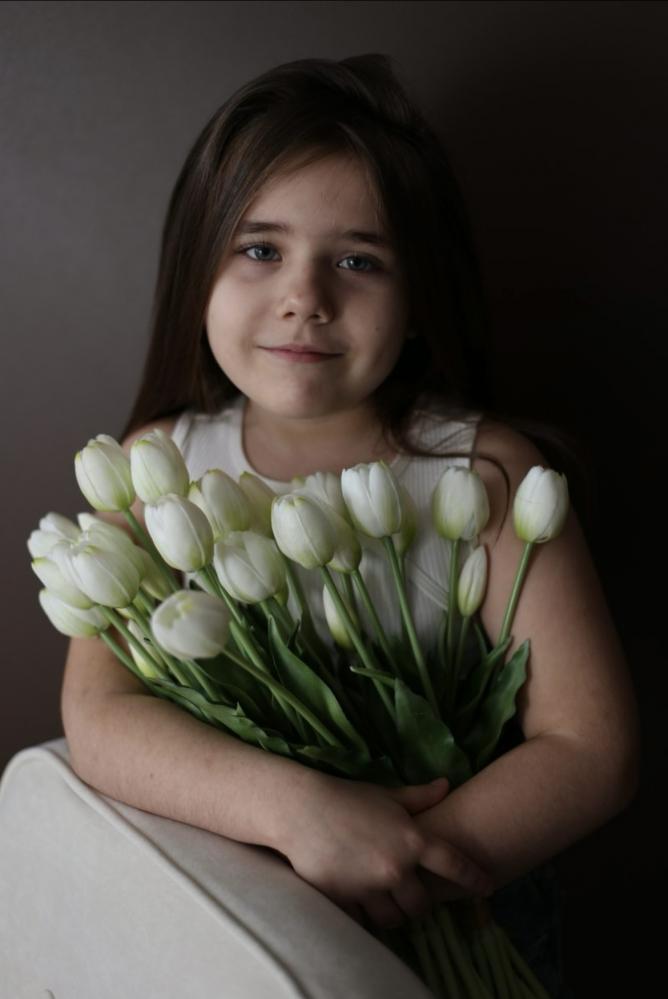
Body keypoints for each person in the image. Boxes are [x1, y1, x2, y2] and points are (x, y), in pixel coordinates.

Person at [60, 54, 640, 995]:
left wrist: (400, 863)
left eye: (359, 261)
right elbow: (99, 716)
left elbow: (592, 748)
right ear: (197, 267)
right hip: (244, 911)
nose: (305, 297)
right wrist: (295, 815)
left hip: (464, 903)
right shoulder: (156, 469)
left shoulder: (486, 474)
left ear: (419, 301)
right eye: (260, 250)